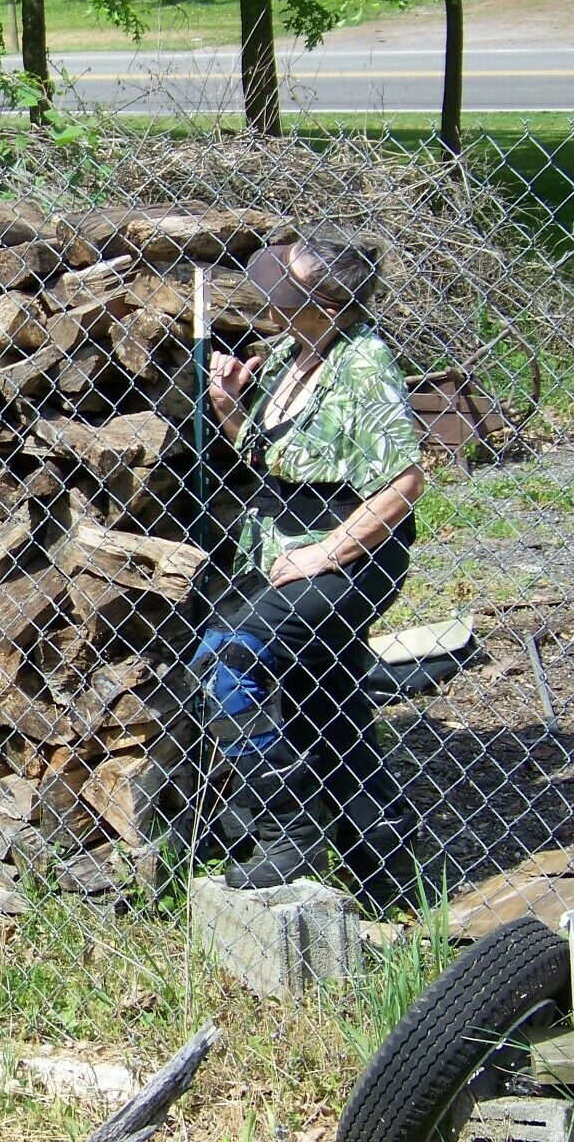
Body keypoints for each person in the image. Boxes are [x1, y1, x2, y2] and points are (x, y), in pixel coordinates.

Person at [193, 227, 426, 909]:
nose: (264, 299)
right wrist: (232, 409)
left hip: (349, 557)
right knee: (328, 699)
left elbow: (403, 483)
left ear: (322, 304)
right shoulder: (293, 357)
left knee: (225, 660)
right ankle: (383, 863)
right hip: (284, 555)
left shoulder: (363, 364)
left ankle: (287, 825)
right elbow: (275, 465)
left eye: (282, 288)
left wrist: (326, 553)